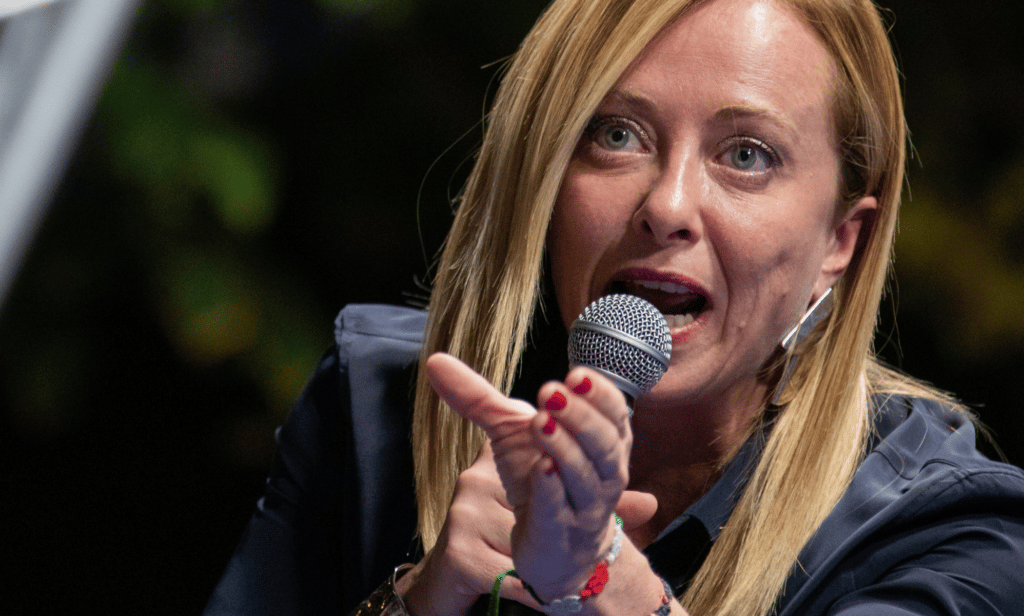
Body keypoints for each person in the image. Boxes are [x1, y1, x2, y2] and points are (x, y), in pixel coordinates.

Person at [203, 0, 1024, 615]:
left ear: (840, 241)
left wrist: (608, 586)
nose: (666, 205)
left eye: (747, 155)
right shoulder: (377, 405)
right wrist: (424, 597)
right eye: (617, 135)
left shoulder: (950, 532)